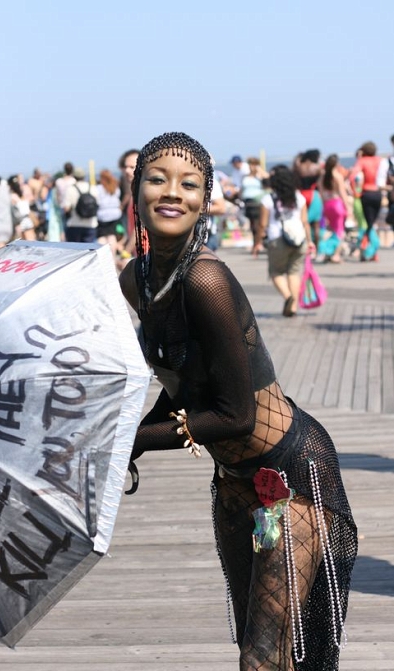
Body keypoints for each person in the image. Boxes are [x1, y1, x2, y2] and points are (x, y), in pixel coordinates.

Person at [119, 132, 357, 671]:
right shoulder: (136, 281)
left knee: (263, 657)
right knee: (264, 646)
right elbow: (185, 389)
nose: (171, 192)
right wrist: (126, 439)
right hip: (233, 482)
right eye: (156, 179)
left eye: (190, 184)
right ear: (134, 193)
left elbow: (235, 413)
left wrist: (129, 441)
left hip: (291, 473)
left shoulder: (206, 279)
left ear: (206, 201)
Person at [257, 165, 315, 317]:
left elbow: (262, 224)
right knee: (294, 272)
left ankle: (288, 296)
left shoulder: (268, 199)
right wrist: (310, 241)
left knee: (276, 272)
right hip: (299, 239)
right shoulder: (299, 197)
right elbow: (305, 221)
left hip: (277, 239)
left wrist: (257, 242)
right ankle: (294, 306)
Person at [349, 141, 389, 261]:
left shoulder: (362, 161)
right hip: (377, 193)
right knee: (372, 223)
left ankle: (369, 249)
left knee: (369, 224)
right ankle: (371, 251)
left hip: (366, 193)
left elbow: (352, 176)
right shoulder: (380, 160)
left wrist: (354, 190)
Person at [317, 154, 352, 263]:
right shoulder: (337, 176)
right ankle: (335, 254)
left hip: (327, 205)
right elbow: (342, 193)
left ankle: (328, 251)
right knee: (339, 231)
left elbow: (321, 194)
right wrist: (348, 208)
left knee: (332, 230)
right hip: (337, 204)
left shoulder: (322, 177)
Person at [63, 167, 98, 243]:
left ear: (74, 176)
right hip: (91, 224)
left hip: (74, 223)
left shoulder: (70, 189)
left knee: (74, 251)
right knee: (89, 251)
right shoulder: (92, 188)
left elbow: (66, 208)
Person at [240, 157, 267, 255]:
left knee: (257, 225)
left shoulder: (259, 176)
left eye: (254, 165)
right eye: (250, 165)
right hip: (248, 203)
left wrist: (259, 170)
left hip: (258, 202)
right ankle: (256, 243)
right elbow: (241, 189)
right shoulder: (245, 177)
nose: (252, 167)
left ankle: (257, 244)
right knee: (252, 225)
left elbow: (268, 179)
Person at [95, 169, 123, 259]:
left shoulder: (99, 188)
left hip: (102, 215)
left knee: (102, 237)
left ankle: (103, 257)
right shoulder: (115, 187)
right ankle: (113, 256)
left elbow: (97, 201)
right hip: (115, 215)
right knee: (112, 236)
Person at [8, 175, 36, 241]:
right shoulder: (23, 194)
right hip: (26, 220)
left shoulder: (12, 196)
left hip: (19, 223)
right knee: (31, 243)